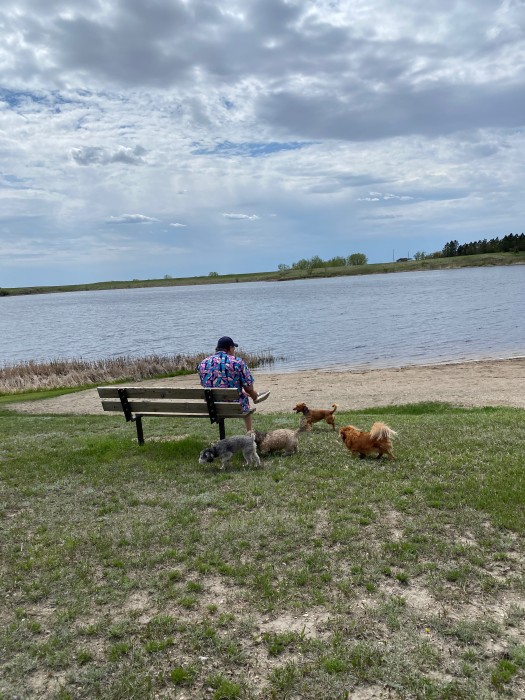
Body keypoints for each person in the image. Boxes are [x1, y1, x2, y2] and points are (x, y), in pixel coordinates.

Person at [197, 336, 270, 432]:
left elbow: (206, 385)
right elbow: (248, 387)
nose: (234, 351)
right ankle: (249, 432)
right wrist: (252, 394)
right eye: (234, 348)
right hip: (235, 405)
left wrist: (241, 391)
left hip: (212, 406)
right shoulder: (237, 362)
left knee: (242, 393)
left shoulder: (203, 363)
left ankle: (254, 397)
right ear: (230, 348)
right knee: (245, 397)